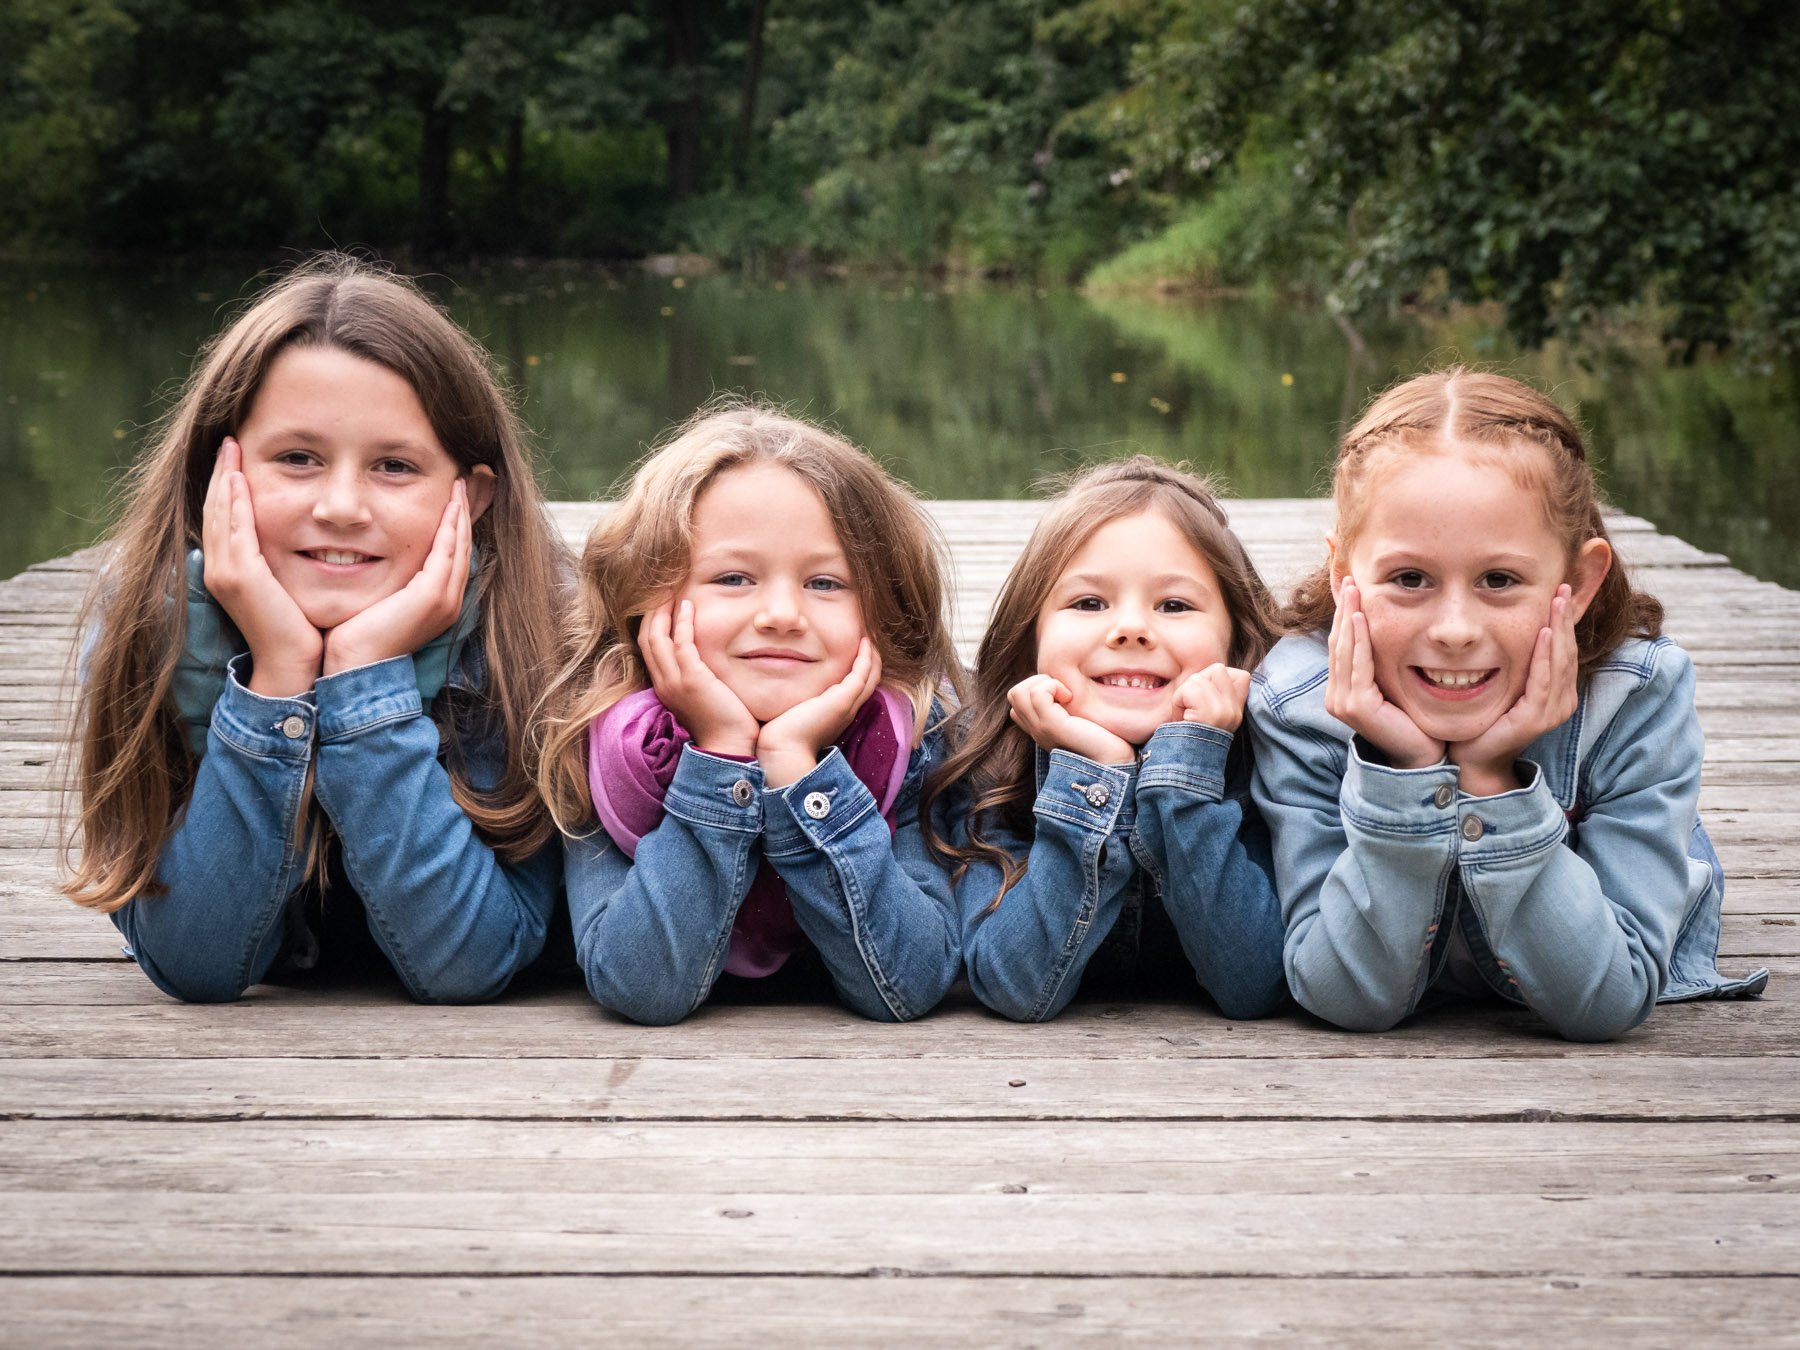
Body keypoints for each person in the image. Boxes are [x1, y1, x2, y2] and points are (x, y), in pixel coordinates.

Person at [63, 254, 567, 1003]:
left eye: (394, 466)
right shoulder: (152, 632)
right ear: (216, 477)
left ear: (473, 495)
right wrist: (278, 677)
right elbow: (195, 960)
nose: (340, 506)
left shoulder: (531, 645)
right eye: (297, 458)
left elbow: (471, 959)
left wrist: (363, 675)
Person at [1250, 368, 1769, 1041]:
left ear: (1577, 582)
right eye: (1410, 579)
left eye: (1499, 579)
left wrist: (1492, 778)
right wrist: (1405, 770)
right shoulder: (1300, 704)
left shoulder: (1637, 694)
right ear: (1344, 575)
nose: (1456, 629)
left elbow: (1609, 998)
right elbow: (1346, 994)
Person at [537, 404, 965, 1024]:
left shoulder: (902, 738)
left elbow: (906, 982)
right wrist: (720, 753)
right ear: (647, 603)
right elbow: (641, 986)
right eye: (734, 578)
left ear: (885, 611)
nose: (782, 614)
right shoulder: (608, 744)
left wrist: (796, 768)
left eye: (826, 583)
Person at [922, 457, 1289, 1022]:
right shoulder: (990, 763)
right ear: (1030, 636)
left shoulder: (1265, 758)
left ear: (1236, 642)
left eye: (1175, 605)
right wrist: (1097, 770)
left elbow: (1254, 983)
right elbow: (1012, 984)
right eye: (1089, 603)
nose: (1131, 628)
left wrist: (1185, 773)